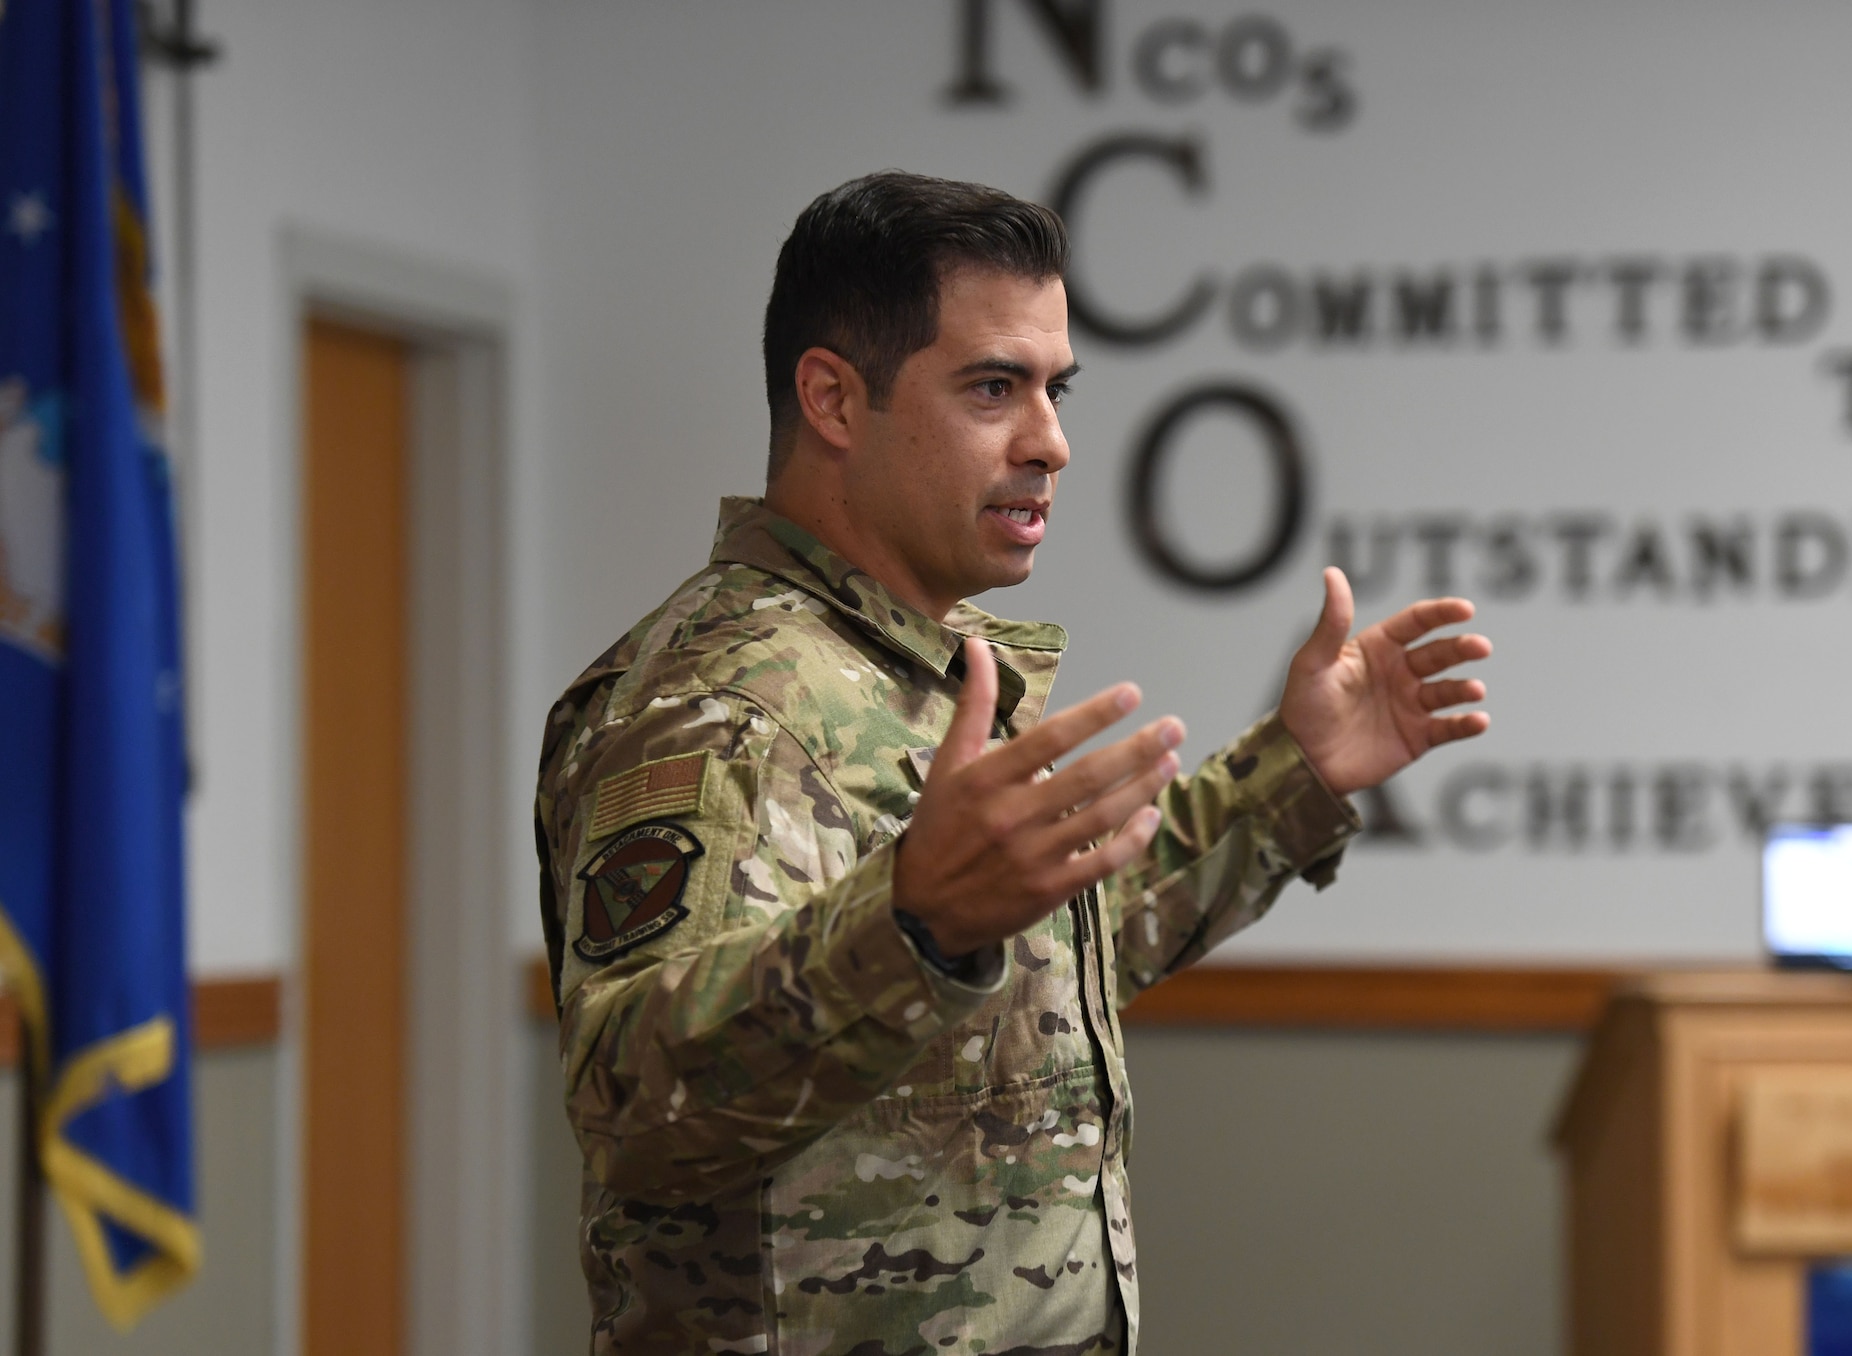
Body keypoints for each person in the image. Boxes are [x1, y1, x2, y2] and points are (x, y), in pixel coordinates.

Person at [535, 170, 1492, 1355]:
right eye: (994, 388)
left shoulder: (923, 670)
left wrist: (1288, 776)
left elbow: (1039, 967)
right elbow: (631, 1107)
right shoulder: (715, 702)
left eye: (1054, 390)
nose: (1051, 442)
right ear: (833, 398)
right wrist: (911, 926)